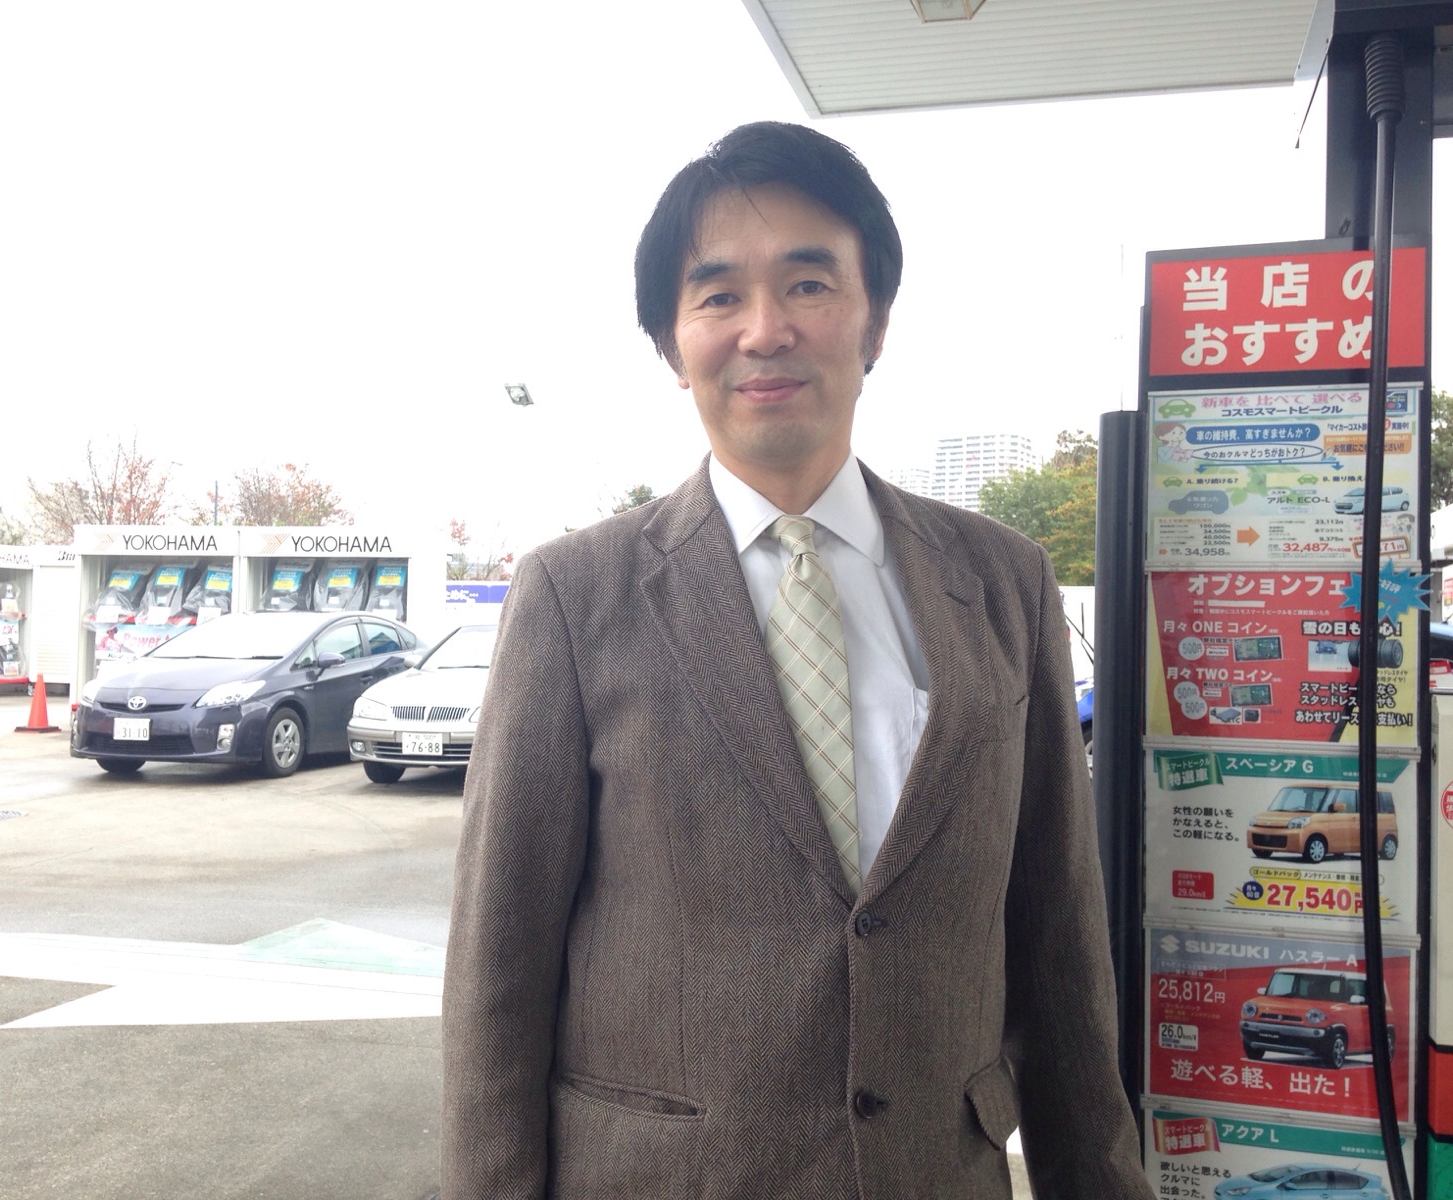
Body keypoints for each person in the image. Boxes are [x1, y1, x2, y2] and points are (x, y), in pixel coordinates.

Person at [441, 121, 1153, 1199]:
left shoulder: (1002, 581)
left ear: (875, 323)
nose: (764, 330)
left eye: (809, 285)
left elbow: (1059, 934)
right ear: (670, 343)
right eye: (717, 295)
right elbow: (500, 962)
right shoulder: (573, 597)